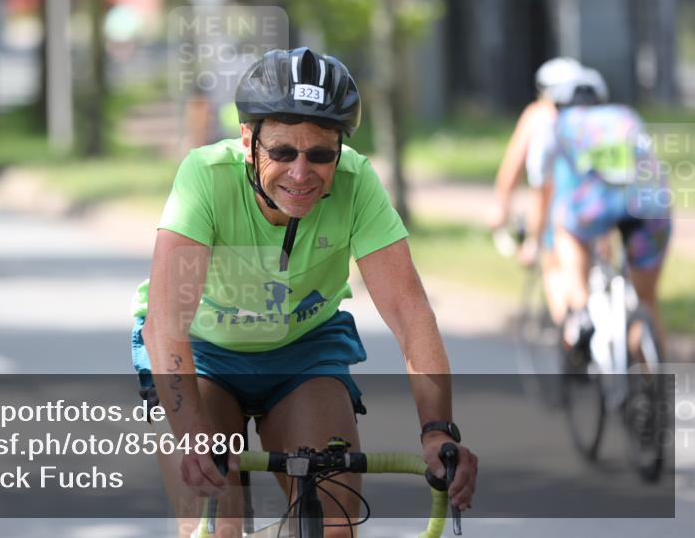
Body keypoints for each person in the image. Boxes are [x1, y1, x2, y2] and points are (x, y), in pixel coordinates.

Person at [131, 48, 477, 537]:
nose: (301, 173)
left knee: (336, 521)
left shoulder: (357, 183)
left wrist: (438, 432)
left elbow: (410, 313)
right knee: (218, 525)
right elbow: (166, 326)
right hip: (205, 354)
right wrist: (192, 438)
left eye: (320, 155)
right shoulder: (205, 177)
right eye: (282, 152)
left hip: (302, 352)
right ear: (249, 141)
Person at [521, 65, 672, 364]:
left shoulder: (555, 126)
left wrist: (533, 240)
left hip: (594, 210)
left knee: (565, 229)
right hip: (651, 209)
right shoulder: (626, 116)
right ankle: (661, 391)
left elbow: (541, 191)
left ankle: (580, 312)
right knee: (646, 303)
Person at [489, 57, 582, 320]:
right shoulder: (598, 114)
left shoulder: (538, 115)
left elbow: (512, 171)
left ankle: (572, 341)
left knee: (553, 267)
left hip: (557, 211)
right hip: (604, 204)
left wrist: (501, 210)